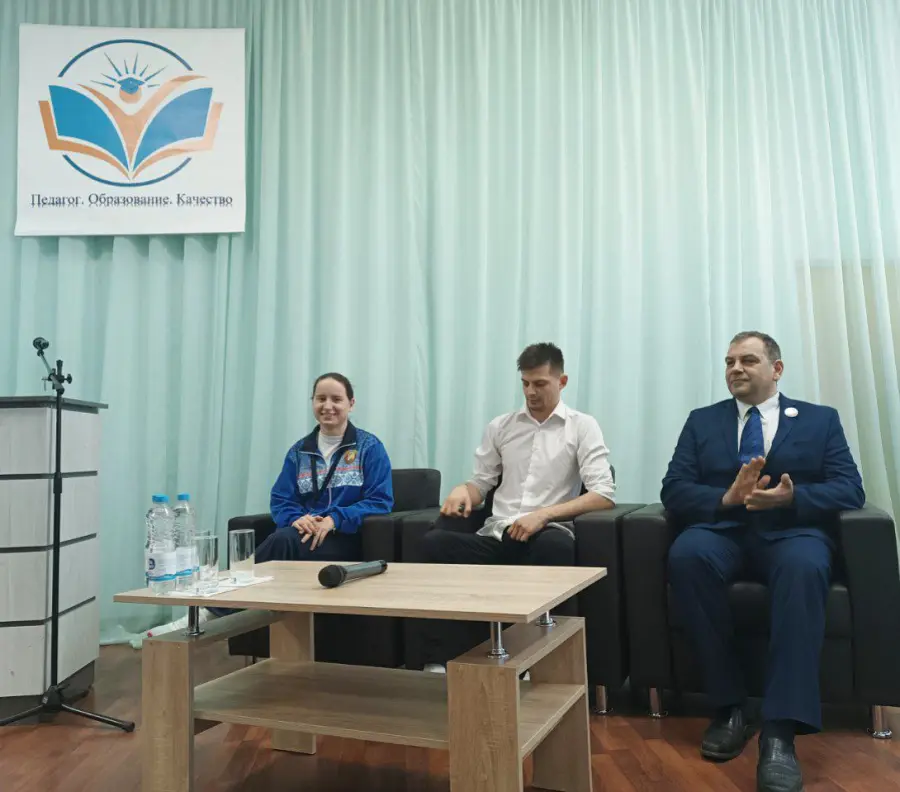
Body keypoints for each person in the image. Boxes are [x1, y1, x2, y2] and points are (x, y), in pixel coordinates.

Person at [662, 331, 864, 792]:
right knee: (687, 555)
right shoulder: (702, 421)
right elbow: (673, 488)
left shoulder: (819, 419)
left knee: (804, 566)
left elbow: (850, 488)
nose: (735, 368)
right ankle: (729, 707)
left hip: (792, 532)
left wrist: (792, 499)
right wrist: (725, 499)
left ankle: (780, 730)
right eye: (729, 361)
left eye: (748, 360)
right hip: (724, 531)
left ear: (776, 369)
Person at [419, 342, 616, 671]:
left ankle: (532, 663)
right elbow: (481, 483)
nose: (531, 392)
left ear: (562, 381)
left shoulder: (581, 426)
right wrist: (462, 490)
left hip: (546, 531)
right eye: (525, 383)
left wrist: (543, 515)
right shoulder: (502, 426)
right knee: (434, 544)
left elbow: (603, 493)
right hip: (497, 533)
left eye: (540, 384)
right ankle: (444, 660)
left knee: (554, 548)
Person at [256, 372, 394, 563]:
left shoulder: (370, 447)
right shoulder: (299, 452)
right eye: (321, 399)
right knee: (281, 539)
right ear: (313, 402)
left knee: (281, 542)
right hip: (304, 533)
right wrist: (296, 518)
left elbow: (380, 501)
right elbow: (281, 499)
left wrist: (334, 519)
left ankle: (237, 576)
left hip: (346, 535)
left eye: (336, 399)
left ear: (351, 404)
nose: (328, 406)